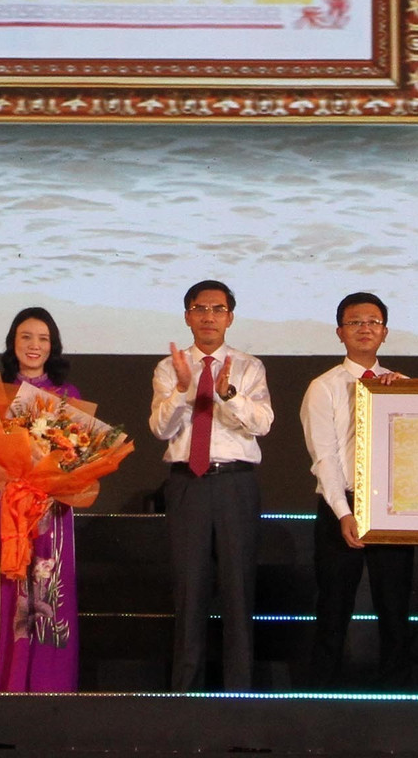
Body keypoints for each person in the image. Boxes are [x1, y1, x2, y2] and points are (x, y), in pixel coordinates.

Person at [150, 279, 274, 691]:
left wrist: (229, 394)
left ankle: (239, 692)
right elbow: (160, 429)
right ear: (187, 317)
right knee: (189, 589)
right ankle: (186, 692)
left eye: (218, 309)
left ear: (230, 318)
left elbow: (263, 424)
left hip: (235, 482)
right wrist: (183, 388)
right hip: (188, 483)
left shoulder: (249, 367)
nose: (209, 317)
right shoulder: (169, 368)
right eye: (200, 309)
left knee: (238, 590)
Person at [299, 292, 412, 691]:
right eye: (355, 322)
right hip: (340, 504)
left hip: (392, 506)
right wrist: (343, 512)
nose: (365, 328)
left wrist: (404, 397)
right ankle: (322, 696)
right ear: (339, 332)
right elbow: (324, 456)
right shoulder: (324, 387)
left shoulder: (403, 385)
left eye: (373, 322)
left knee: (395, 608)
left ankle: (397, 696)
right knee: (333, 606)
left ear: (385, 332)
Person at [0, 306, 83, 693]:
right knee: (7, 592)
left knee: (50, 592)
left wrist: (53, 480)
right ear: (12, 343)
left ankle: (49, 686)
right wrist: (9, 479)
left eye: (43, 339)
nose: (34, 345)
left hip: (52, 510)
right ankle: (5, 683)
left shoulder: (67, 396)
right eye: (26, 337)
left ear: (53, 346)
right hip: (7, 509)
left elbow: (78, 457)